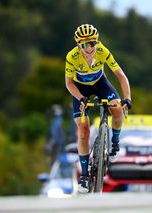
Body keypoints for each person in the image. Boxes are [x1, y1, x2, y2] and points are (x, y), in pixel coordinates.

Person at [65, 24, 131, 193]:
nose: (89, 48)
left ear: (97, 41)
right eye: (84, 45)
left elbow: (121, 76)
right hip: (81, 90)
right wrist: (80, 98)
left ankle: (115, 142)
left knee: (117, 109)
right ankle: (85, 176)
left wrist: (127, 99)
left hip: (101, 84)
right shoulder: (72, 57)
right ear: (77, 44)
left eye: (92, 43)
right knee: (83, 129)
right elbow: (69, 82)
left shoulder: (102, 51)